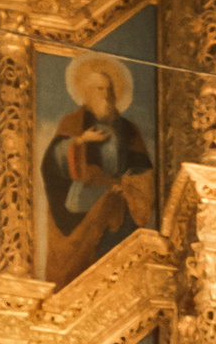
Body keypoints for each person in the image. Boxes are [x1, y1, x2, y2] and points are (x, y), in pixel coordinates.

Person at [40, 57, 153, 283]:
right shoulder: (73, 122)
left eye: (108, 90)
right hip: (84, 198)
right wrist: (80, 140)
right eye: (99, 89)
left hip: (120, 198)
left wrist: (129, 185)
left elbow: (142, 168)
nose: (105, 95)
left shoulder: (128, 130)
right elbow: (51, 162)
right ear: (86, 92)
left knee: (118, 245)